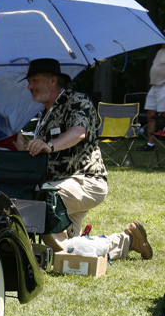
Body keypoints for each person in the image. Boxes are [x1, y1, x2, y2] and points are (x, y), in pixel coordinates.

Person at [17, 57, 152, 260]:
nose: (29, 86)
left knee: (44, 201)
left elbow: (78, 132)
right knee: (73, 248)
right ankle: (128, 240)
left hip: (86, 181)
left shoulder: (77, 101)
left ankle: (62, 255)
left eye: (34, 80)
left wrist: (50, 145)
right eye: (29, 82)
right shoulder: (44, 113)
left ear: (53, 80)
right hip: (61, 184)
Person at [140, 42, 165, 150]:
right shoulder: (160, 51)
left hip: (163, 86)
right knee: (150, 114)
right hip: (154, 86)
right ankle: (151, 144)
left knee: (163, 115)